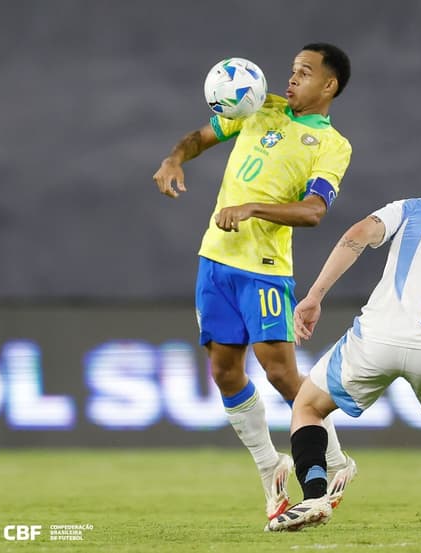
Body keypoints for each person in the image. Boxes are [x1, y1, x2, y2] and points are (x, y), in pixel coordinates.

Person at [151, 43, 357, 528]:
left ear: (329, 86)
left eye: (304, 74)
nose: (291, 80)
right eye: (291, 71)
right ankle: (271, 468)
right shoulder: (257, 106)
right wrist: (174, 158)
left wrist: (253, 208)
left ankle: (336, 462)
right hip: (215, 261)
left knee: (281, 372)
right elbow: (201, 135)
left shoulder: (332, 144)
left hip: (265, 266)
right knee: (224, 371)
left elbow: (314, 210)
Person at [268, 158, 421, 532]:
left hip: (378, 337)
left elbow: (359, 234)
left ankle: (315, 495)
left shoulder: (412, 208)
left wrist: (315, 296)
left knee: (308, 405)